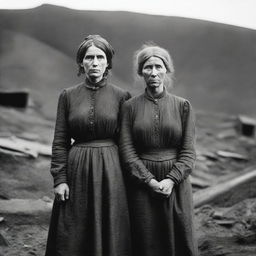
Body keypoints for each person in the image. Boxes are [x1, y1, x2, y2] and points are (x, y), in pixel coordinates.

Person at [45, 35, 131, 256]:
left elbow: (126, 142)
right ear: (81, 63)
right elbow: (60, 140)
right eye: (89, 57)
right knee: (72, 228)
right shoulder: (68, 96)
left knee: (109, 225)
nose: (94, 63)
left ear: (108, 63)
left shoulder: (122, 96)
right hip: (77, 170)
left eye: (100, 57)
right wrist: (60, 179)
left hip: (111, 171)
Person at [120, 43, 198, 256]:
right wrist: (150, 181)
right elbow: (127, 151)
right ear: (141, 72)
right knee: (146, 240)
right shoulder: (129, 107)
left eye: (158, 66)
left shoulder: (183, 106)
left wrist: (171, 180)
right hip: (141, 185)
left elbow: (189, 152)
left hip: (176, 184)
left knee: (178, 237)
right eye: (148, 67)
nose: (153, 72)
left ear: (166, 70)